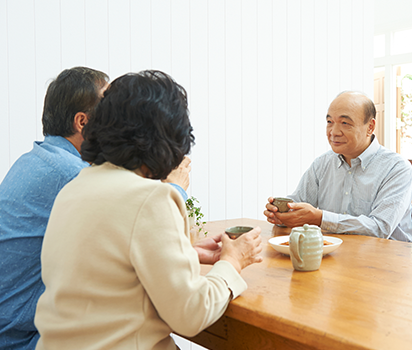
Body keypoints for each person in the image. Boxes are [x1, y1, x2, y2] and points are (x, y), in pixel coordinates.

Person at [34, 70, 263, 349]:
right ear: (170, 136)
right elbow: (191, 314)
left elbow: (108, 272)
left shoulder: (73, 190)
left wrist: (185, 253)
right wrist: (233, 262)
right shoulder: (150, 198)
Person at [0, 67, 109, 349]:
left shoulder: (32, 159)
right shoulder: (70, 174)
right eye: (108, 109)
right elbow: (138, 222)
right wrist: (176, 184)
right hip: (21, 339)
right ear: (82, 122)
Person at [264, 91, 412, 241]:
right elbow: (298, 201)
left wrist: (320, 219)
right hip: (335, 253)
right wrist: (280, 214)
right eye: (330, 122)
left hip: (388, 258)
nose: (333, 132)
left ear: (370, 127)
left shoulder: (397, 169)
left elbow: (380, 229)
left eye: (345, 123)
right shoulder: (322, 163)